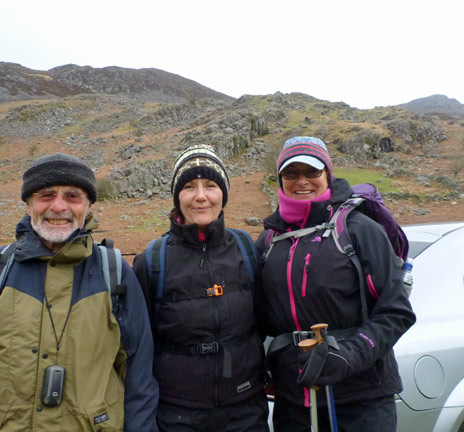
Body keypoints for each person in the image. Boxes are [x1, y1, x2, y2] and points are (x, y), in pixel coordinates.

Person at [0, 153, 159, 432]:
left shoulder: (116, 273)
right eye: (46, 195)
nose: (58, 206)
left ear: (88, 206)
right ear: (29, 204)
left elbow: (139, 379)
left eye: (72, 196)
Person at [256, 136, 416, 432]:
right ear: (279, 180)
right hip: (295, 402)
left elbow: (396, 312)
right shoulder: (269, 241)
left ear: (327, 174)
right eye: (291, 173)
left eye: (312, 172)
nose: (301, 181)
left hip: (362, 400)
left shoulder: (359, 230)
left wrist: (350, 356)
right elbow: (259, 319)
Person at [132, 144, 269, 432]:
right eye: (189, 187)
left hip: (245, 411)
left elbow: (265, 321)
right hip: (177, 415)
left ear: (224, 195)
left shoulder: (245, 248)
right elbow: (139, 347)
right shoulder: (153, 261)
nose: (200, 196)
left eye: (210, 185)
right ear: (177, 197)